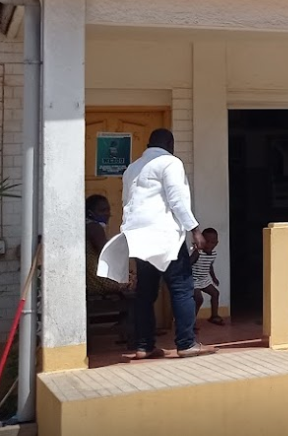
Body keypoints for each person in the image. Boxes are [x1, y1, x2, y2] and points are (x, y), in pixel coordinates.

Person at [106, 128, 217, 360]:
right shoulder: (169, 162)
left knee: (145, 293)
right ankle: (186, 343)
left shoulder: (132, 168)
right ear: (170, 143)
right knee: (182, 288)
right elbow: (176, 199)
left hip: (139, 236)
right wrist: (194, 229)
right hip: (164, 235)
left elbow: (127, 202)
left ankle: (144, 346)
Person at [84, 194, 133, 344]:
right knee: (141, 286)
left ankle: (125, 325)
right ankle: (134, 332)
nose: (107, 214)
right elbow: (106, 254)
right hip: (98, 280)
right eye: (102, 210)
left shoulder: (86, 226)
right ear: (90, 212)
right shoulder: (94, 228)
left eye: (108, 210)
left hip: (90, 278)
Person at [191, 228, 223, 326]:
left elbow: (209, 266)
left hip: (204, 279)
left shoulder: (213, 254)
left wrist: (214, 278)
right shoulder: (198, 252)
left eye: (212, 242)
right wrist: (196, 249)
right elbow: (189, 263)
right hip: (194, 280)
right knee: (199, 299)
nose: (209, 245)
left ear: (216, 243)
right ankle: (191, 323)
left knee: (215, 293)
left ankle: (214, 316)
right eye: (207, 242)